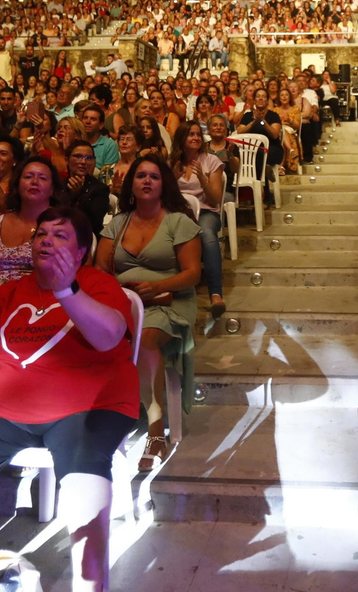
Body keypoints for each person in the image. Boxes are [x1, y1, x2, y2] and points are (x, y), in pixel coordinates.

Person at [0, 207, 136, 592]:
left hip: (87, 408)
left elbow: (109, 337)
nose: (47, 240)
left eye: (60, 236)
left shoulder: (99, 284)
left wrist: (66, 289)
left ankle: (90, 585)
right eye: (41, 234)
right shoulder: (10, 290)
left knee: (83, 479)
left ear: (81, 253)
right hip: (2, 411)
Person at [94, 158, 200, 473]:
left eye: (154, 176)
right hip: (124, 303)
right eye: (141, 175)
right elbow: (100, 271)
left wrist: (157, 288)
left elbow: (193, 274)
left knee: (145, 337)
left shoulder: (178, 222)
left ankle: (155, 432)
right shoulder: (118, 223)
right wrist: (119, 293)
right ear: (132, 184)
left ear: (163, 184)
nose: (147, 180)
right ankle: (97, 419)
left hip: (170, 302)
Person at [0, 155, 63, 287]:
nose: (35, 181)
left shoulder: (61, 224)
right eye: (28, 177)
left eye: (42, 178)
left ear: (52, 189)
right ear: (17, 185)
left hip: (38, 295)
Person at [169, 123, 227, 320]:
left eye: (198, 135)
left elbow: (215, 199)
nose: (195, 138)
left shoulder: (211, 161)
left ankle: (216, 295)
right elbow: (163, 196)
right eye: (190, 135)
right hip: (177, 213)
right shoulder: (172, 162)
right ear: (181, 138)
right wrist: (172, 179)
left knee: (208, 235)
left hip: (205, 212)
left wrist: (203, 178)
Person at [58, 140, 112, 237]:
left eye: (88, 158)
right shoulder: (58, 186)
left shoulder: (100, 189)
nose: (83, 162)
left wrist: (79, 195)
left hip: (87, 237)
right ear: (67, 160)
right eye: (78, 156)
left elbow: (94, 221)